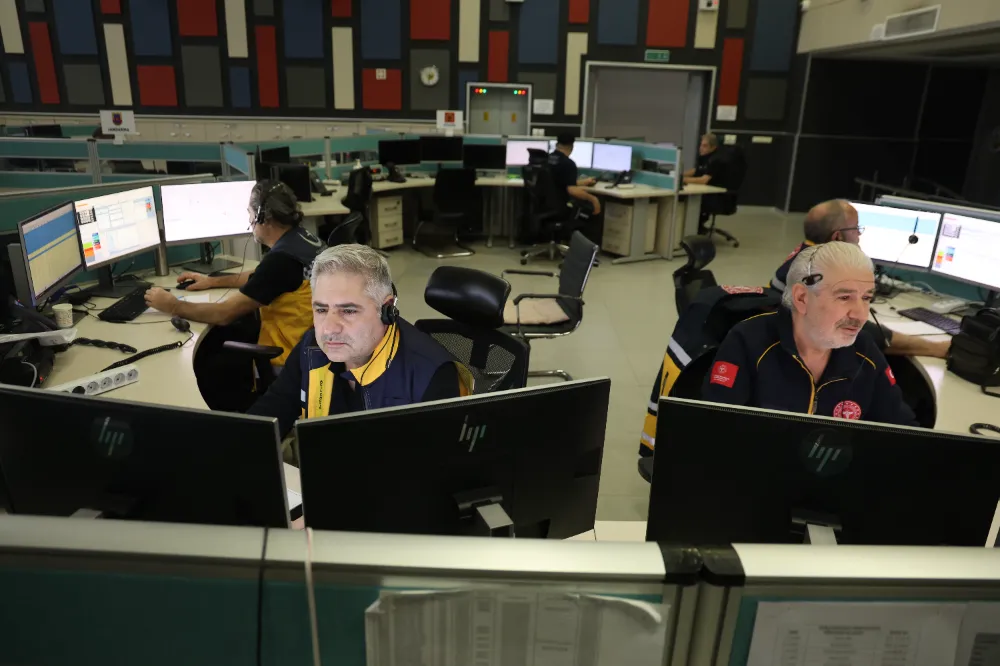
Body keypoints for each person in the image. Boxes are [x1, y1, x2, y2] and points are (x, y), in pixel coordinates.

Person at [247, 244, 472, 437]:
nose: (329, 328)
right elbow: (266, 418)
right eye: (321, 309)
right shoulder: (311, 349)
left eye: (348, 311)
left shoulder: (432, 376)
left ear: (387, 309)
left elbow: (436, 469)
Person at [145, 180, 326, 410]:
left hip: (287, 362)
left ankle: (229, 422)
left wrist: (172, 305)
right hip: (313, 352)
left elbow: (223, 314)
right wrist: (212, 281)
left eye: (250, 213)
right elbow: (260, 277)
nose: (249, 220)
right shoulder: (302, 240)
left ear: (262, 217)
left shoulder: (281, 261)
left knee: (207, 361)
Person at [703, 242, 917, 426]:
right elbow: (715, 431)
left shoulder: (863, 350)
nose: (861, 315)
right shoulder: (748, 342)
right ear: (802, 298)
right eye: (844, 298)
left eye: (866, 298)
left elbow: (903, 431)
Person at [770, 199, 950, 359]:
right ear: (837, 237)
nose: (859, 234)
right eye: (856, 228)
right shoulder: (822, 274)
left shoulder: (805, 256)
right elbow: (870, 336)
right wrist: (936, 348)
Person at [682, 133, 726, 233]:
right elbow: (696, 170)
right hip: (705, 192)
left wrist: (683, 179)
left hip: (715, 196)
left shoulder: (715, 160)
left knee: (685, 199)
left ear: (713, 147)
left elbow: (703, 180)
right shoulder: (705, 157)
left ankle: (694, 228)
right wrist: (680, 174)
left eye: (705, 146)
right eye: (701, 145)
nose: (701, 148)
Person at [548, 134, 601, 215]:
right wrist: (594, 199)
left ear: (556, 145)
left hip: (543, 206)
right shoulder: (568, 164)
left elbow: (558, 182)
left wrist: (583, 182)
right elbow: (572, 191)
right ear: (572, 147)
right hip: (559, 208)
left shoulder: (547, 158)